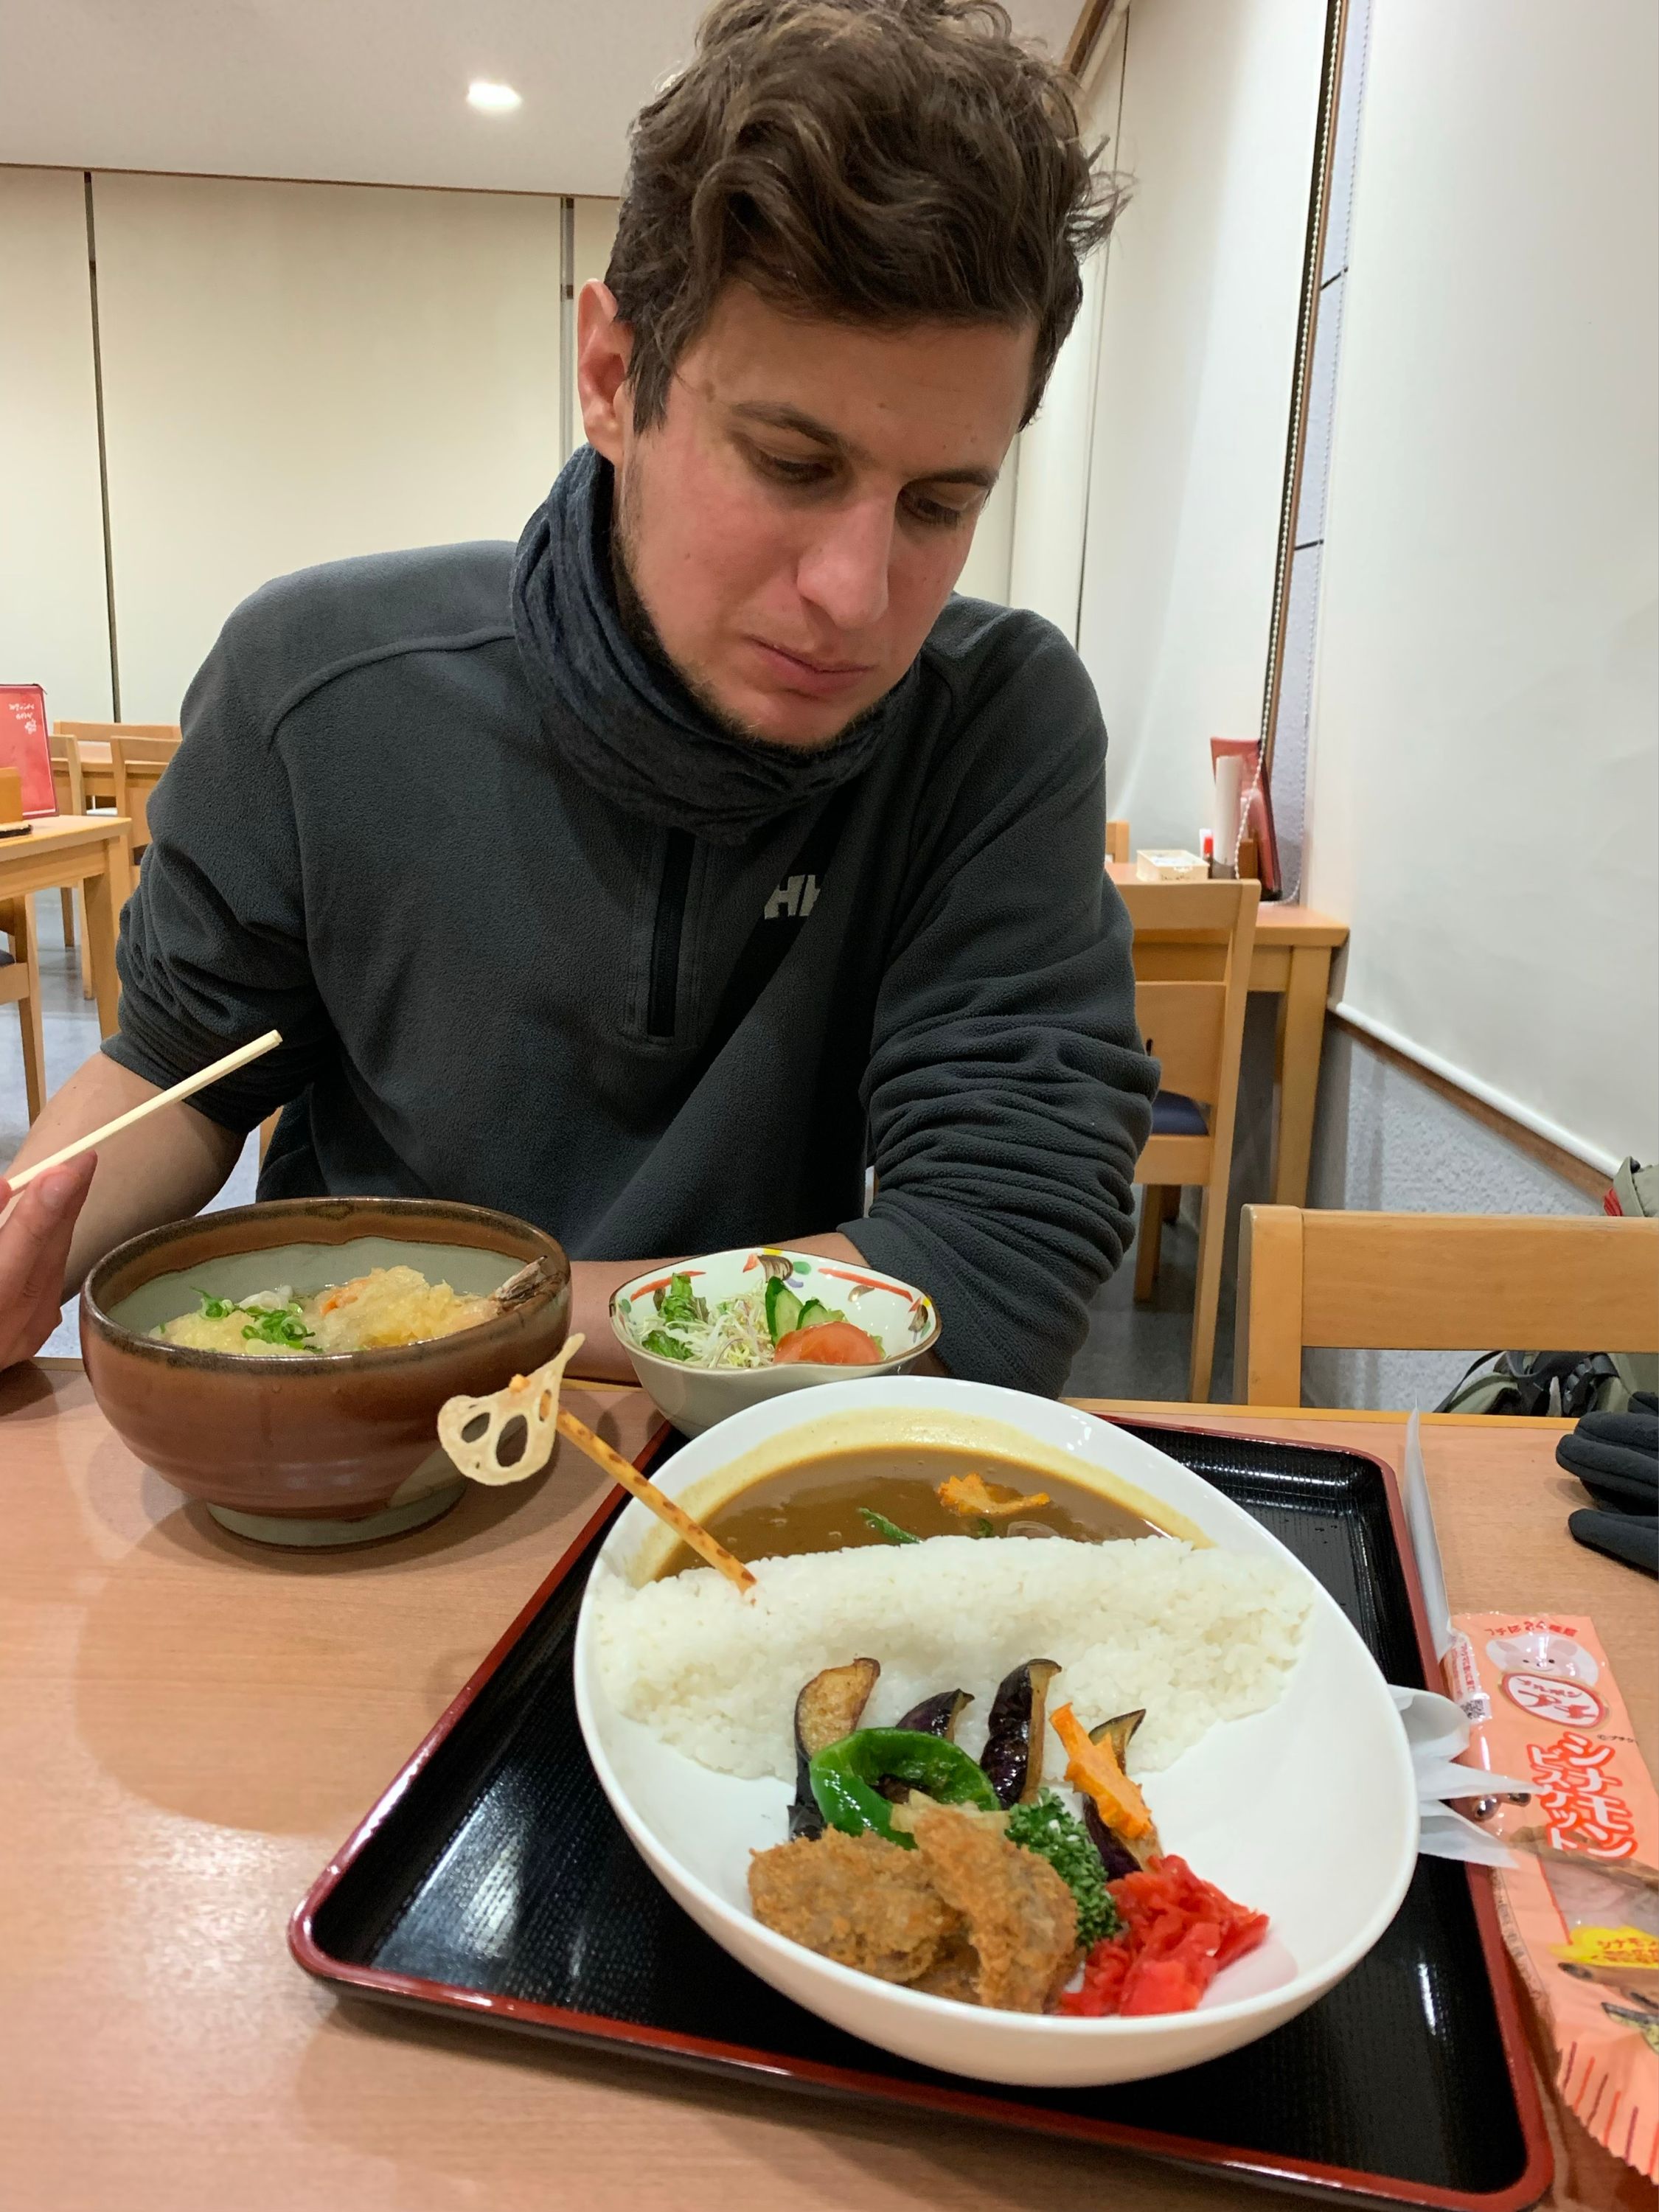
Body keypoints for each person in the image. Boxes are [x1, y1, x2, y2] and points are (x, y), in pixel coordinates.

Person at [0, 0, 1156, 1390]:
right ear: (612, 377)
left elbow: (990, 1269)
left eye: (939, 502)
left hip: (752, 1485)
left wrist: (438, 1318)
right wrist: (28, 1236)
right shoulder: (319, 687)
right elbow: (180, 1074)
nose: (857, 592)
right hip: (352, 1469)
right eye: (791, 464)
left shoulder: (994, 723)